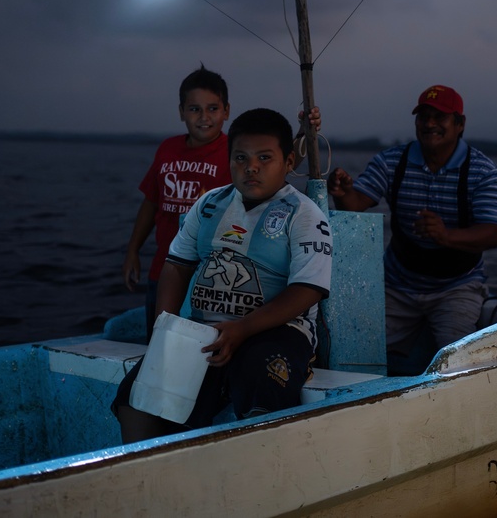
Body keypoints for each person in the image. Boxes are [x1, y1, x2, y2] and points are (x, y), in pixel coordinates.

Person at [113, 108, 333, 442]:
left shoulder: (304, 215)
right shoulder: (209, 204)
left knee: (261, 385)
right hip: (206, 329)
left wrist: (242, 329)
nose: (251, 167)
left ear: (288, 162)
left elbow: (308, 289)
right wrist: (167, 327)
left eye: (264, 157)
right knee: (136, 398)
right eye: (240, 158)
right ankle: (148, 478)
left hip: (278, 330)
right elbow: (176, 265)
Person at [121, 65, 319, 340]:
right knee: (159, 337)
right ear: (181, 111)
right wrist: (133, 250)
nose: (204, 117)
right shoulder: (167, 149)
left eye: (212, 109)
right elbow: (151, 202)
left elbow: (277, 165)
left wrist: (303, 131)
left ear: (226, 111)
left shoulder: (237, 153)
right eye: (194, 109)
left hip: (215, 273)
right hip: (167, 266)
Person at [327, 84, 497, 362]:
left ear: (460, 124)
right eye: (423, 116)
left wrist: (446, 236)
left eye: (439, 117)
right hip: (396, 285)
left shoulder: (483, 171)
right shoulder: (390, 162)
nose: (430, 124)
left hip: (457, 287)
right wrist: (342, 192)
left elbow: (493, 233)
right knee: (356, 351)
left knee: (456, 359)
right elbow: (356, 204)